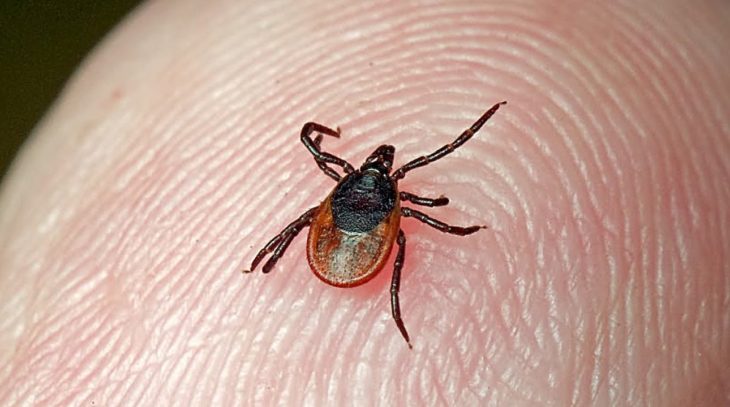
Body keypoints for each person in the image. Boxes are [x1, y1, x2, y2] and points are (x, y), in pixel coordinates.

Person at [0, 1, 727, 405]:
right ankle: (345, 288)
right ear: (376, 186)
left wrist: (329, 206)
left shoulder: (353, 190)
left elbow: (319, 153)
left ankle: (320, 278)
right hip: (354, 244)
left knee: (341, 234)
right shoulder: (393, 201)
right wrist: (437, 208)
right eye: (380, 171)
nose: (380, 168)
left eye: (380, 172)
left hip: (342, 244)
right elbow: (413, 190)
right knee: (391, 240)